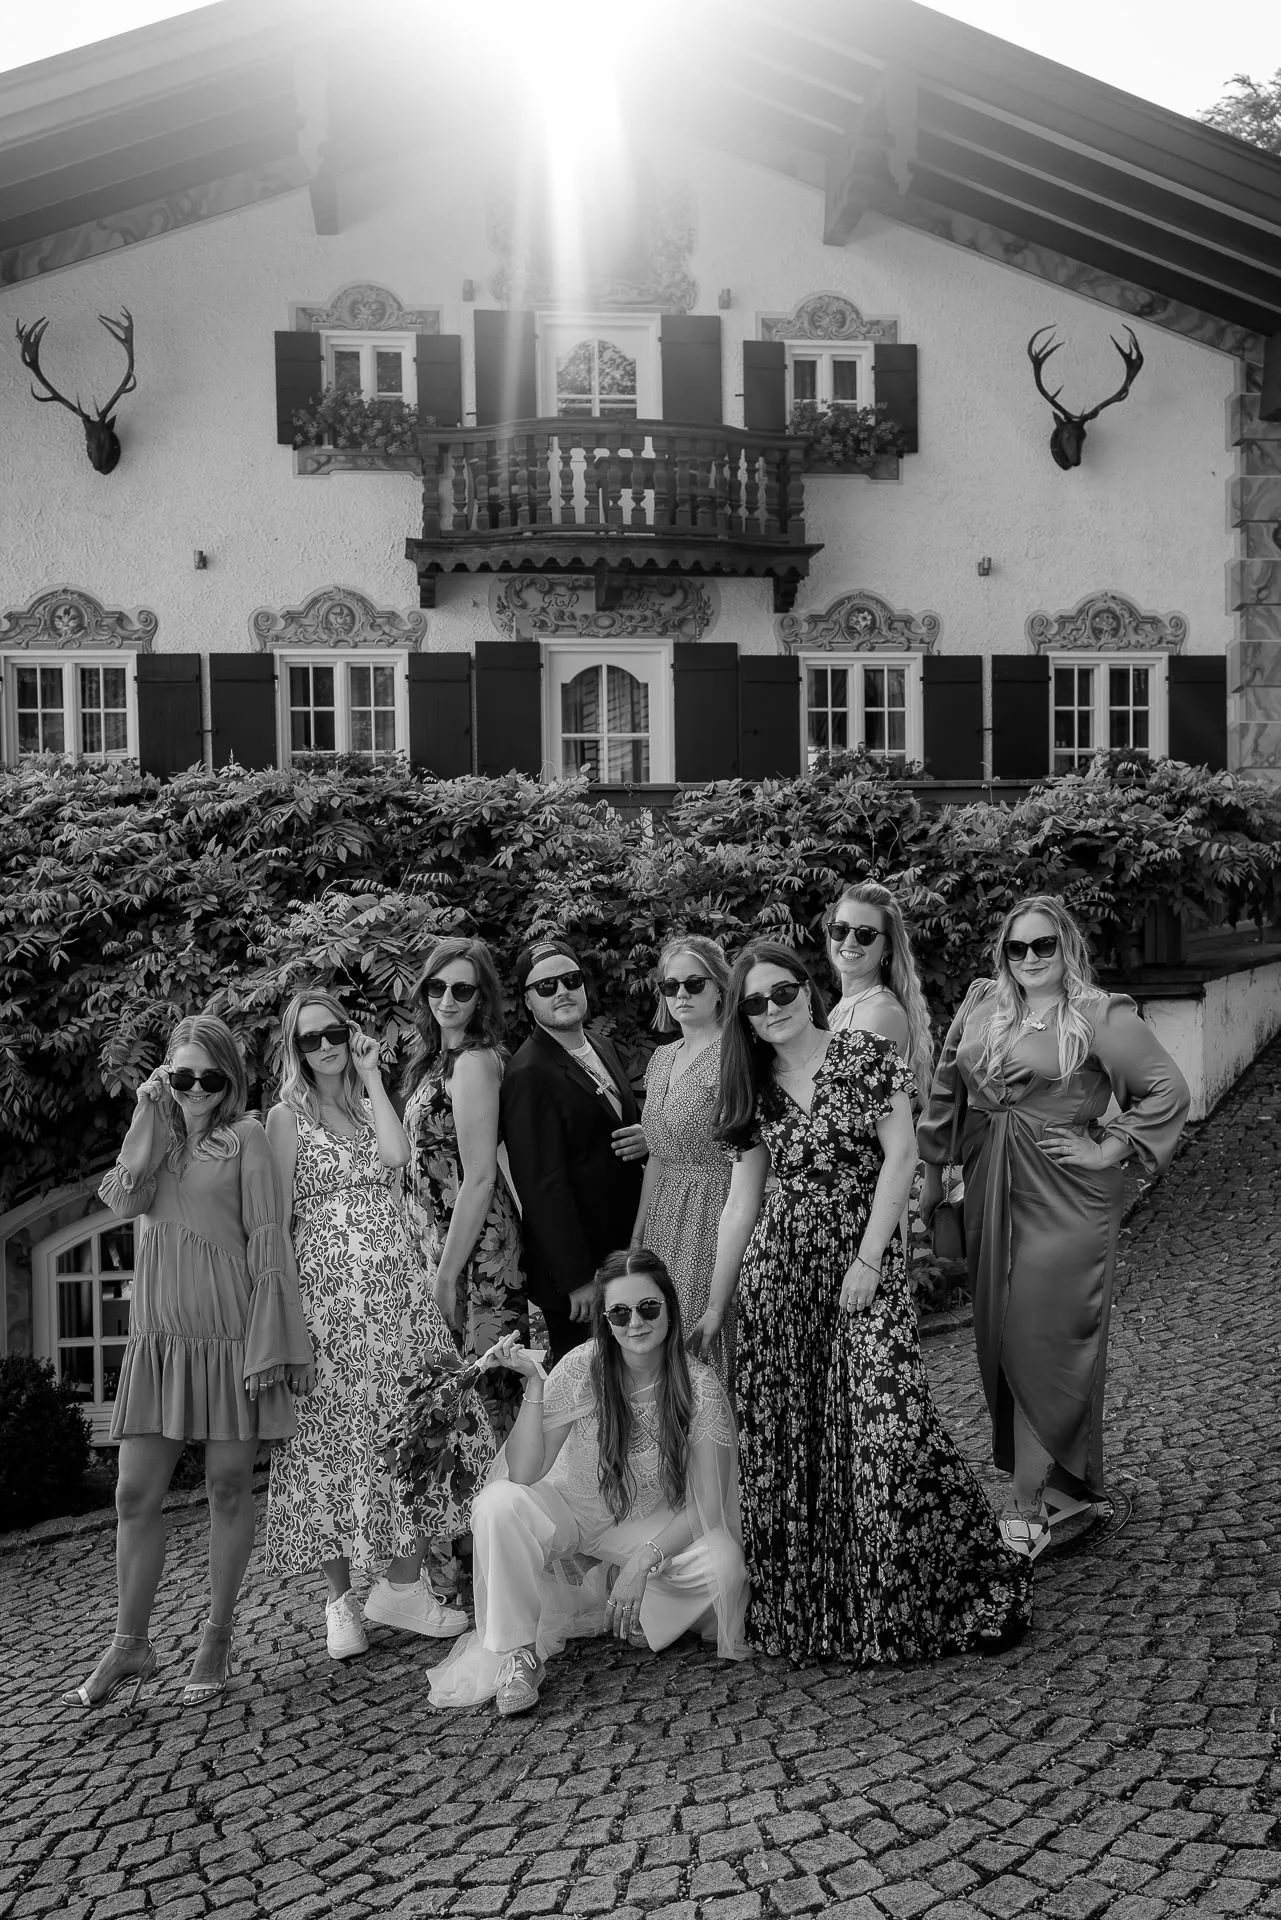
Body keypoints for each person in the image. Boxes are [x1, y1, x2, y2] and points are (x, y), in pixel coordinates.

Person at [690, 941, 1032, 1665]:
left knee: (888, 1424)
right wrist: (717, 1305)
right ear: (741, 1019)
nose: (771, 1009)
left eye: (781, 993)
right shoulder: (750, 1086)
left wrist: (869, 1258)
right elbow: (739, 1204)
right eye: (753, 1003)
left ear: (807, 991)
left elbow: (901, 1157)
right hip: (781, 1280)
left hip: (861, 1266)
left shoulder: (865, 1056)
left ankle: (940, 1585)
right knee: (801, 1445)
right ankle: (827, 1610)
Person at [918, 894, 1190, 1558]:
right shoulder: (983, 1008)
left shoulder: (1098, 1014)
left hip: (1064, 1196)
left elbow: (1166, 1089)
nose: (1031, 959)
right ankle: (1067, 1480)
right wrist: (932, 1178)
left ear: (1064, 947)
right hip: (990, 1185)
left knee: (1038, 1335)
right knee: (998, 1338)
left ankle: (1025, 1503)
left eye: (1044, 946)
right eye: (1018, 948)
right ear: (1002, 954)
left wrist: (1108, 1146)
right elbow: (946, 1095)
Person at [65, 1014, 314, 1709]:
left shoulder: (248, 1138)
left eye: (210, 1076)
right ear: (166, 1077)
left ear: (230, 1078)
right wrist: (150, 1107)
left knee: (230, 1488)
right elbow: (126, 1191)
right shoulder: (160, 1139)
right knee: (133, 1495)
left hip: (230, 1337)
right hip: (159, 1340)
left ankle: (217, 1635)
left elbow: (269, 1240)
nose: (197, 1088)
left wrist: (272, 1343)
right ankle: (130, 1644)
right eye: (183, 1076)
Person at [426, 1249, 748, 1715]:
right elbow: (523, 1475)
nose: (635, 1322)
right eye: (620, 1312)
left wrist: (643, 1560)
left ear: (670, 1310)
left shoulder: (699, 1387)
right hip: (572, 1510)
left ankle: (621, 1585)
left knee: (724, 1564)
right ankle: (519, 1654)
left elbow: (709, 1506)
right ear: (606, 1319)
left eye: (648, 1307)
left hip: (639, 1525)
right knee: (498, 1503)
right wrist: (535, 1387)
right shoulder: (584, 1366)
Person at [262, 989, 484, 1659]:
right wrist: (286, 1326)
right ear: (293, 1049)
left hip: (395, 1302)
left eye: (334, 1032)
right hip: (325, 1305)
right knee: (326, 1440)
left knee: (406, 1428)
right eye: (309, 1039)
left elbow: (394, 1157)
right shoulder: (283, 1118)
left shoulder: (365, 1104)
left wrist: (369, 1076)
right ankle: (338, 1602)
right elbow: (273, 1222)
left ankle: (403, 1585)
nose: (325, 1045)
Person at [402, 938, 529, 1440]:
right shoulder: (436, 1059)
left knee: (497, 1402)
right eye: (437, 986)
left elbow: (480, 1176)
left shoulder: (474, 1062)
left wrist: (446, 1275)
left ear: (481, 999)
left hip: (480, 1255)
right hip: (449, 1246)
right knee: (471, 1403)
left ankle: (524, 1514)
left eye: (461, 989)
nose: (447, 999)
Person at [499, 940, 647, 1364]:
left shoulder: (601, 1045)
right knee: (587, 1389)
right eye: (545, 986)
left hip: (623, 1251)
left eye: (571, 980)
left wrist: (645, 1138)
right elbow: (540, 1182)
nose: (561, 991)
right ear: (528, 1001)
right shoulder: (528, 1072)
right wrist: (577, 1278)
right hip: (581, 1273)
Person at [629, 935, 734, 1384]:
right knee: (663, 1342)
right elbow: (658, 1155)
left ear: (719, 987)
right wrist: (637, 1235)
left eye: (694, 983)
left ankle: (722, 1447)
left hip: (717, 1209)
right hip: (663, 1219)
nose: (682, 995)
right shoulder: (662, 1057)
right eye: (671, 987)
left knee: (705, 1342)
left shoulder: (737, 1053)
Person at [824, 880, 934, 1098]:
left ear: (887, 946)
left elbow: (849, 1106)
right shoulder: (846, 1006)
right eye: (840, 930)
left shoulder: (882, 1013)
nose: (850, 941)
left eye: (866, 934)